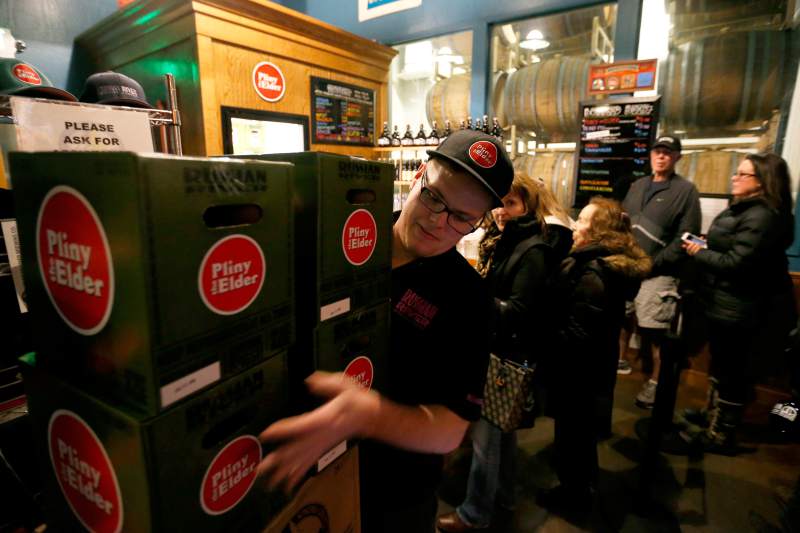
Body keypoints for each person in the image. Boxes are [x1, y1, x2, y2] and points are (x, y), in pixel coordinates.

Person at [256, 129, 513, 532]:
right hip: (302, 469)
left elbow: (451, 429)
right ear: (417, 176)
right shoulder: (344, 236)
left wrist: (369, 416)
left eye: (462, 217)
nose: (437, 221)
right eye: (434, 196)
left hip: (395, 495)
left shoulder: (469, 299)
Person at [436, 173, 569, 532]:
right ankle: (506, 497)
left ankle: (474, 515)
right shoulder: (512, 239)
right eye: (499, 202)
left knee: (486, 440)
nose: (501, 211)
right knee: (503, 435)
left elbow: (520, 311)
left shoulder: (534, 250)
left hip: (507, 356)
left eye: (510, 203)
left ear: (528, 205)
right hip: (500, 351)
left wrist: (473, 300)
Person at [541, 197, 650, 519]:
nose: (575, 226)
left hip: (577, 374)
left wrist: (547, 344)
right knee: (581, 438)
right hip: (592, 370)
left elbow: (577, 335)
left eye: (583, 221)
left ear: (598, 230)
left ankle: (574, 500)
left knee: (573, 438)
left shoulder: (593, 272)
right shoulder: (607, 265)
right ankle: (579, 490)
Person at [681, 152, 795, 454]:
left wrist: (697, 252)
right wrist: (706, 245)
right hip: (728, 301)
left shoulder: (762, 216)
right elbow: (732, 249)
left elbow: (737, 263)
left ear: (762, 182)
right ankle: (712, 417)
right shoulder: (748, 210)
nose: (735, 177)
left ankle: (720, 433)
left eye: (743, 174)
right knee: (723, 365)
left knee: (732, 370)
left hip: (740, 306)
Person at [622, 135, 701, 408]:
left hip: (658, 273)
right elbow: (624, 223)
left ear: (677, 157)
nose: (662, 156)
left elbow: (686, 237)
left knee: (655, 332)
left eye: (668, 152)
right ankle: (620, 363)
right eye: (658, 151)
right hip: (627, 269)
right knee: (622, 319)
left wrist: (653, 263)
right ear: (651, 155)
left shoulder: (686, 191)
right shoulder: (638, 186)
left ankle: (657, 383)